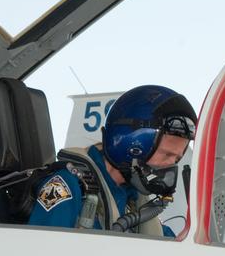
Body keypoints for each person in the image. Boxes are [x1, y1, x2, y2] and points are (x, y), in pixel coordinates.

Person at [29, 85, 196, 236]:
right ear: (130, 145)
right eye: (166, 155)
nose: (171, 165)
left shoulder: (134, 202)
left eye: (177, 158)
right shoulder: (68, 187)